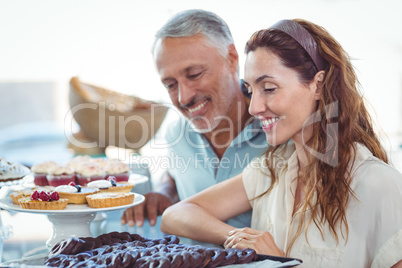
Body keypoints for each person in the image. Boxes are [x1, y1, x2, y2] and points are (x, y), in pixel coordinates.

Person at [160, 18, 402, 267]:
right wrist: (239, 237)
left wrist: (280, 262)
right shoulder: (271, 170)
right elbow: (175, 216)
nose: (254, 107)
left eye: (269, 88)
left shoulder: (380, 186)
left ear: (318, 85)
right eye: (251, 90)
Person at [120, 9, 267, 228]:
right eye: (170, 84)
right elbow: (175, 171)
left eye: (195, 74)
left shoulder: (278, 127)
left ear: (232, 59)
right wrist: (166, 191)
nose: (183, 97)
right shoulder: (175, 135)